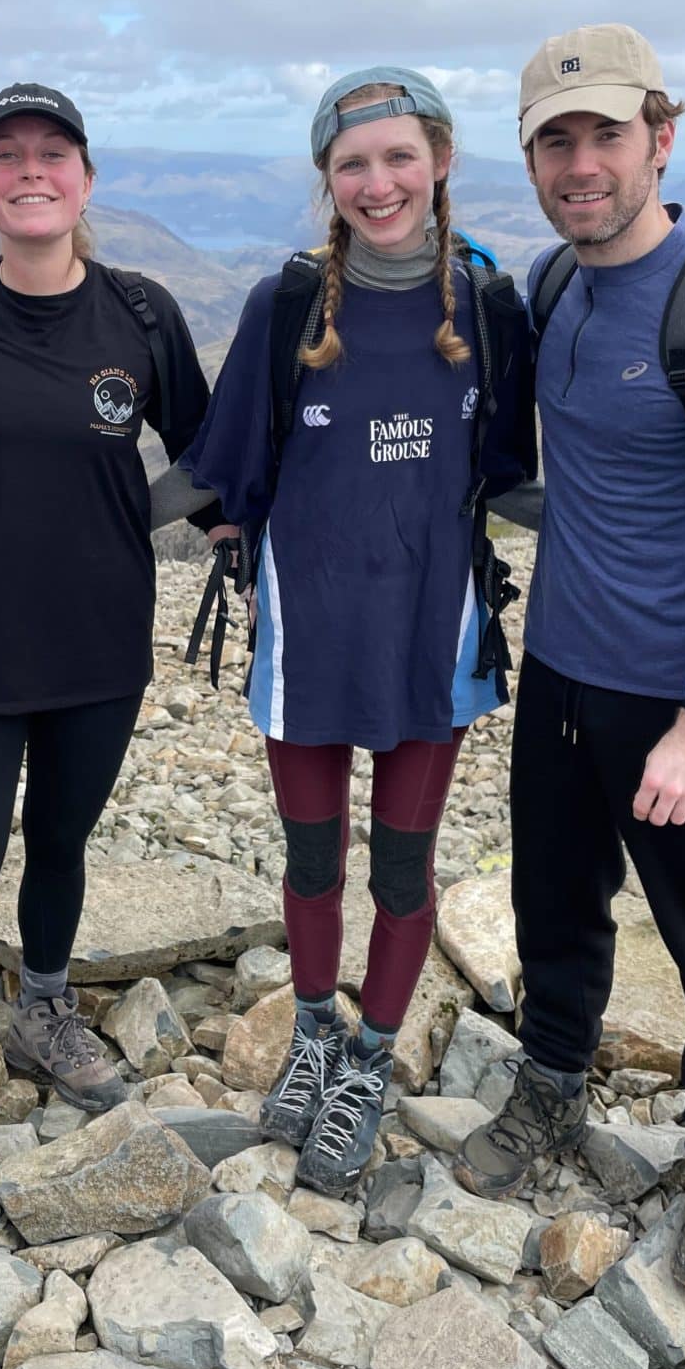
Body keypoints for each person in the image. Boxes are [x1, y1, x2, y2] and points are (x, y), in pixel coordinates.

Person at [455, 25, 685, 1297]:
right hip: (562, 672)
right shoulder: (556, 287)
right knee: (555, 901)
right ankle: (552, 1080)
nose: (581, 161)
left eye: (606, 133)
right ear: (534, 159)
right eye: (557, 139)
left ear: (663, 137)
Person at [0, 82, 227, 1259]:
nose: (30, 171)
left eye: (52, 153)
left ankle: (44, 1009)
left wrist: (195, 530)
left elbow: (207, 455)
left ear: (86, 180)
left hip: (100, 647)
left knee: (61, 844)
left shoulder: (142, 311)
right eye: (5, 155)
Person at [182, 69, 533, 1196]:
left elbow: (521, 467)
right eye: (352, 163)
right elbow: (223, 469)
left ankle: (372, 1056)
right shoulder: (286, 307)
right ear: (327, 180)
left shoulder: (487, 302)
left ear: (438, 160)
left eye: (398, 157)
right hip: (309, 626)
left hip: (433, 627)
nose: (377, 183)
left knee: (403, 862)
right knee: (312, 858)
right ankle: (315, 1033)